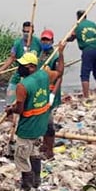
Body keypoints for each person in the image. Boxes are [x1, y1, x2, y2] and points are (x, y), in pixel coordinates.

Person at [4, 52, 60, 191]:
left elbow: (20, 110)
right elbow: (60, 71)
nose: (19, 67)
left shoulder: (22, 86)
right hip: (40, 125)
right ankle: (37, 180)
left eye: (22, 65)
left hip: (27, 128)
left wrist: (11, 110)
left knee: (22, 156)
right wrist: (62, 52)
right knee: (34, 152)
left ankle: (26, 185)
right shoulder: (44, 75)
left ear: (31, 67)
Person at [0, 21, 42, 102]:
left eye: (28, 32)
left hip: (33, 76)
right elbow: (12, 58)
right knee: (10, 96)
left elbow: (44, 55)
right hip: (20, 74)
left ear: (32, 32)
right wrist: (1, 69)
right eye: (24, 31)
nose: (26, 34)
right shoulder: (18, 43)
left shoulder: (38, 42)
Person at [38, 29, 64, 159]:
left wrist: (53, 94)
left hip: (50, 91)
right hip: (41, 91)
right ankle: (44, 144)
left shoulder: (55, 56)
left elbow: (60, 76)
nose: (45, 42)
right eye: (43, 39)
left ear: (52, 41)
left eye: (47, 40)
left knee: (48, 122)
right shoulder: (41, 53)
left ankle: (50, 150)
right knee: (43, 119)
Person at [66, 10, 96, 98]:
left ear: (77, 17)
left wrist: (66, 39)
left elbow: (72, 38)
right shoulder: (93, 24)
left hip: (88, 51)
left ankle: (86, 96)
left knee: (85, 74)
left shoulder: (77, 26)